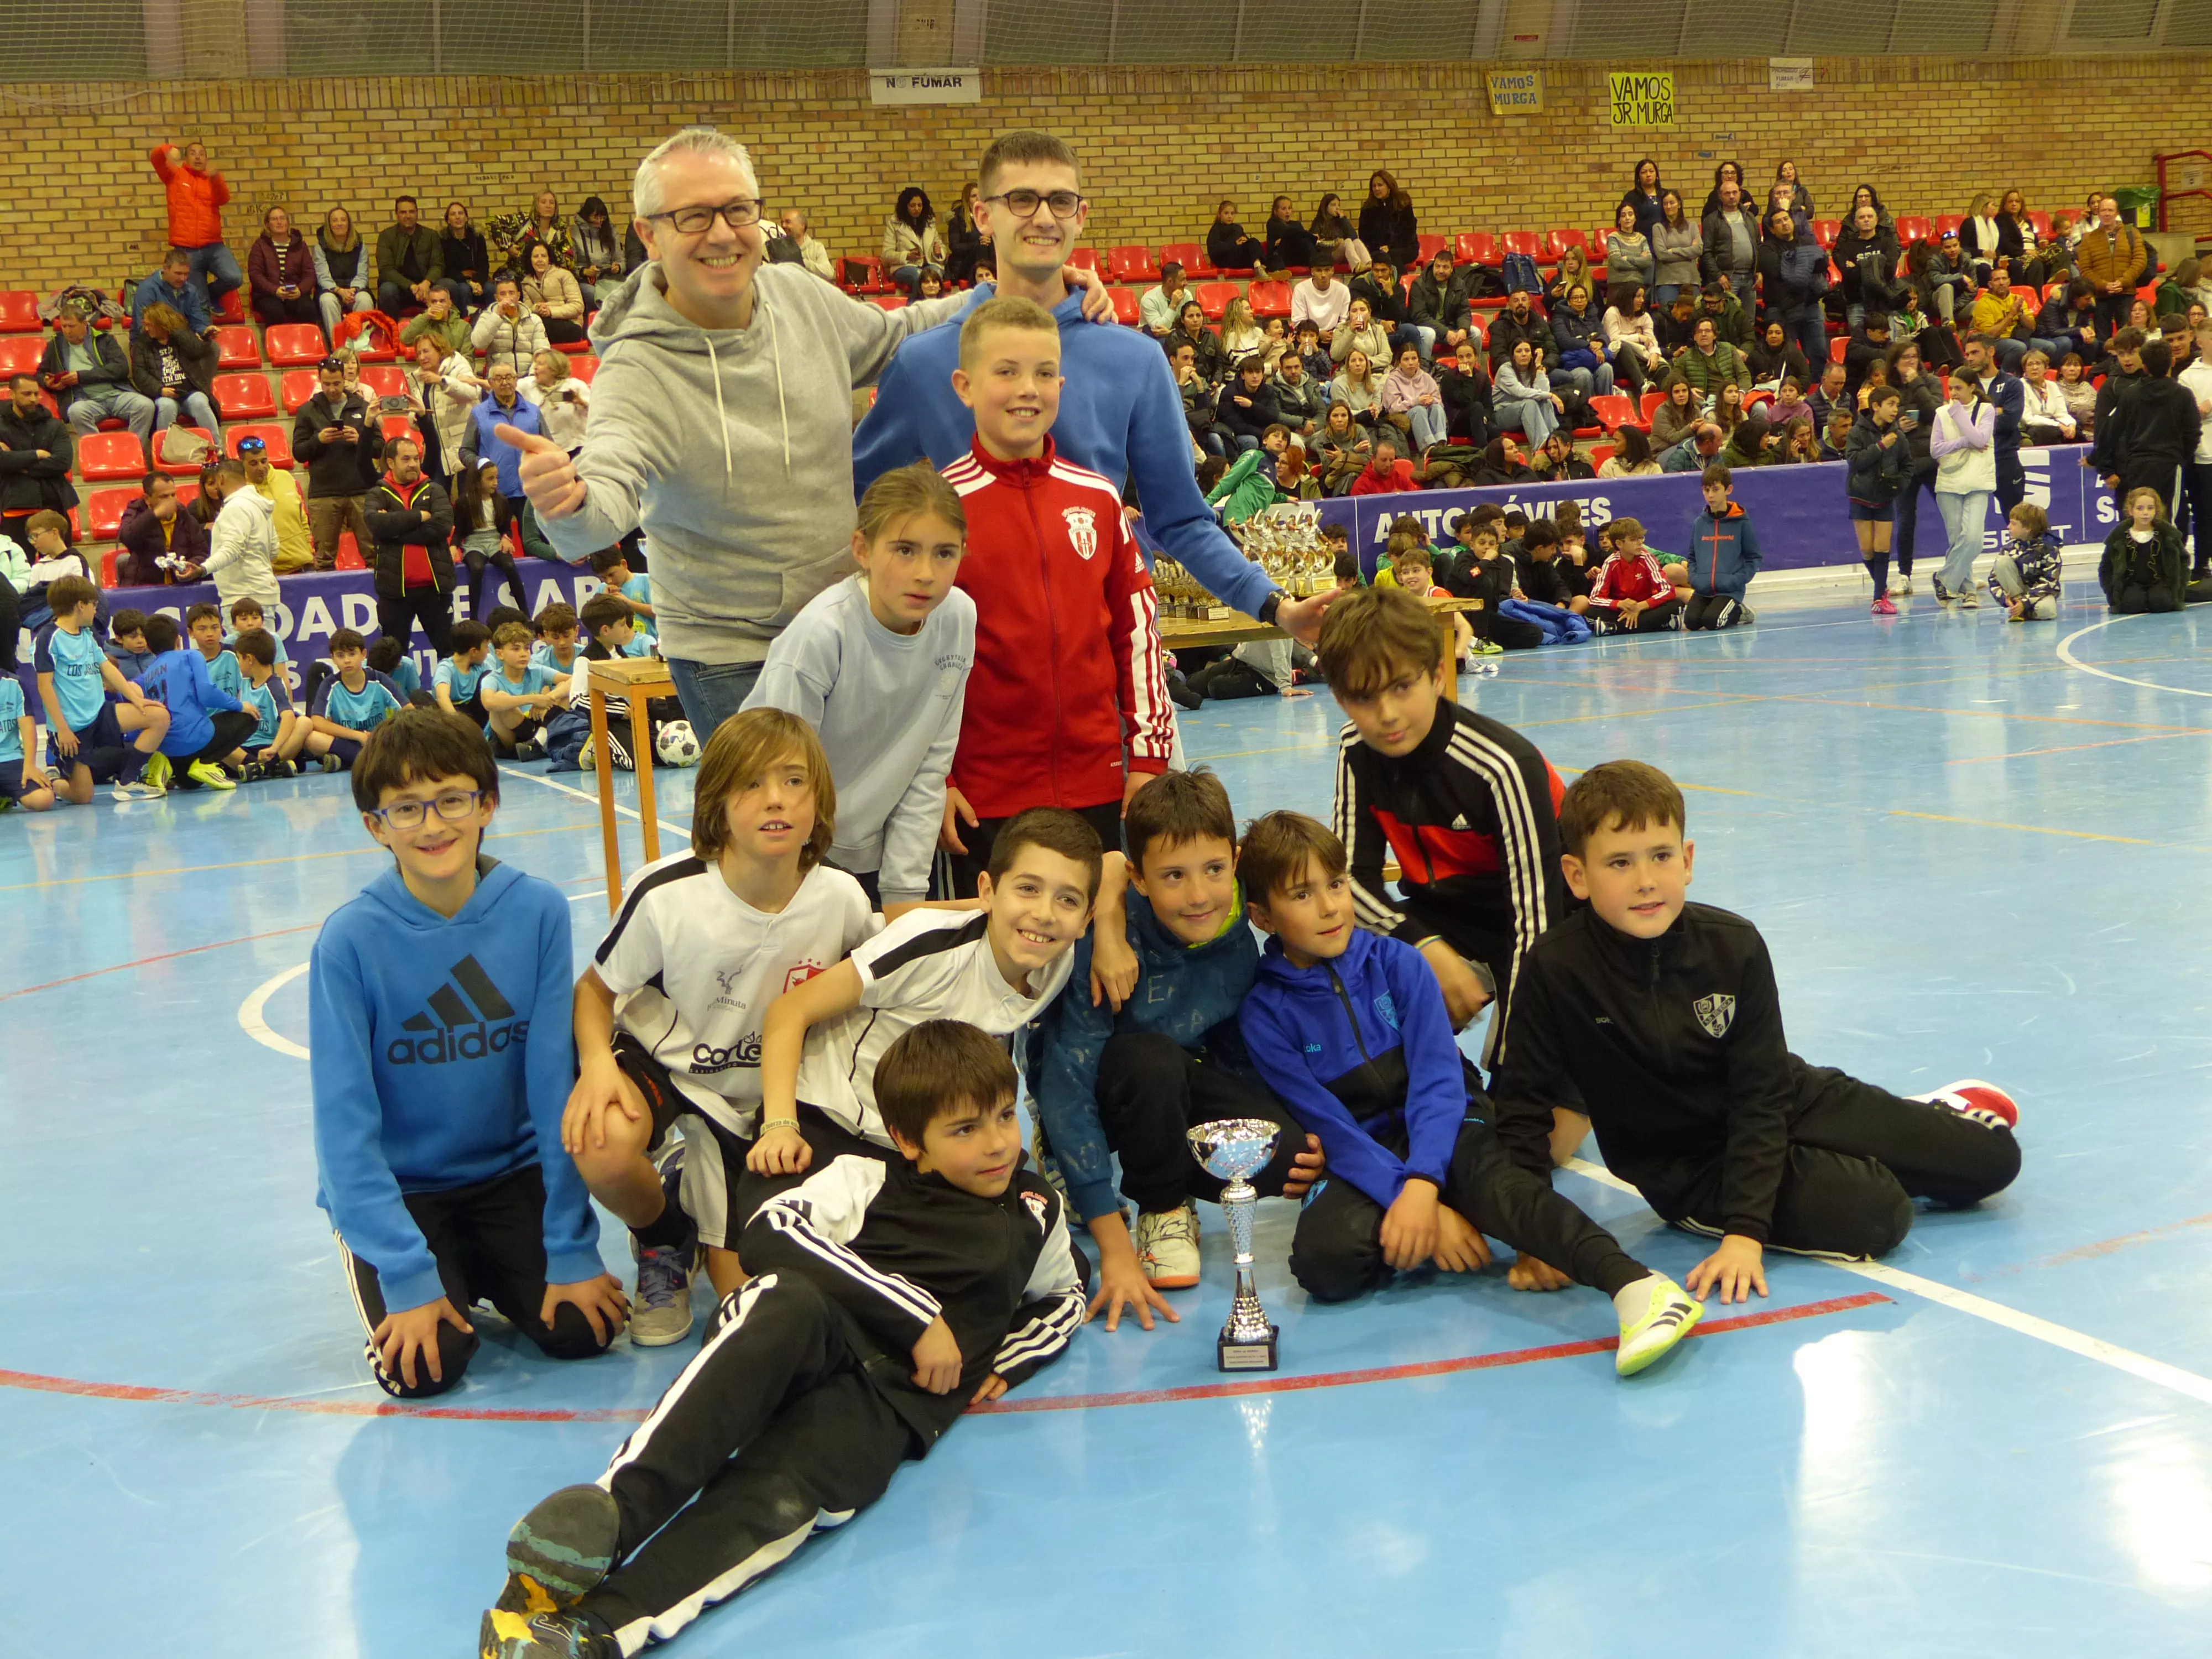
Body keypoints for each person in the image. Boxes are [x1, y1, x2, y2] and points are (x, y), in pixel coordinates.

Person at [481, 1019, 1083, 1659]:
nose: (997, 1144)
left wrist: (998, 1360)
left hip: (888, 1405)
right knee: (784, 1299)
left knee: (773, 1497)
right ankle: (606, 1520)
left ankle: (589, 1634)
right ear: (909, 1141)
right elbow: (772, 1231)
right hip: (802, 1337)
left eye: (1002, 1118)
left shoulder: (1034, 1209)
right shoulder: (866, 1178)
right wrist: (918, 1320)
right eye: (965, 1130)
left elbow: (1063, 1296)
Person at [509, 130, 1014, 737]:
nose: (721, 233)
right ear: (649, 233)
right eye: (693, 216)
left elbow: (898, 337)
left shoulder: (796, 293)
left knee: (860, 820)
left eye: (737, 210)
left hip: (844, 620)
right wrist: (566, 501)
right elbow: (601, 503)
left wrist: (1010, 294)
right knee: (777, 828)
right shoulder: (637, 369)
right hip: (731, 656)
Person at [1494, 760, 2020, 1301]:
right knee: (1876, 1213)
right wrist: (1534, 1234)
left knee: (1993, 1162)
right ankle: (1854, 1158)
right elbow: (1521, 1110)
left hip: (1783, 1101)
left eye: (1660, 855)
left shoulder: (1733, 945)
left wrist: (1745, 1234)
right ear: (1576, 877)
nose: (1646, 880)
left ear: (1687, 859)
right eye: (1620, 863)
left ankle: (1908, 1122)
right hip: (1693, 1170)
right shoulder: (1555, 969)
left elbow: (1761, 1091)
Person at [1232, 808, 1702, 1363]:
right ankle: (1449, 1215)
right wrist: (1420, 1208)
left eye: (1335, 884)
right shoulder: (1264, 1012)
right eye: (1301, 894)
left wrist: (1424, 1186)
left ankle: (1637, 1288)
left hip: (1449, 1120)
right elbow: (1328, 1125)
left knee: (1505, 1190)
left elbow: (1436, 1082)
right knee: (1326, 1265)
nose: (1330, 906)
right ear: (1263, 916)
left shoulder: (1399, 963)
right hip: (1365, 1150)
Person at [851, 134, 1329, 662]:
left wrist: (1274, 605)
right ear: (982, 216)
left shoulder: (1136, 360)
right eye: (1021, 200)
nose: (1043, 217)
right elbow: (858, 504)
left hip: (1106, 662)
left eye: (1060, 201)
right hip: (961, 673)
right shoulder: (925, 363)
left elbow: (1182, 521)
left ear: (1081, 216)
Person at [309, 706, 625, 1402]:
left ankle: (484, 1267)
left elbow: (551, 1083)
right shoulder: (349, 942)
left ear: (488, 804)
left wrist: (570, 1245)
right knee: (424, 1369)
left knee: (584, 1331)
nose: (433, 825)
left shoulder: (537, 910)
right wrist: (406, 1273)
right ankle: (446, 1271)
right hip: (406, 1192)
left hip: (507, 1175)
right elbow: (343, 1128)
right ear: (375, 826)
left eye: (452, 800)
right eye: (407, 809)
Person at [1021, 770, 1321, 1307]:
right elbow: (1068, 1076)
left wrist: (1303, 1126)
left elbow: (1241, 1052)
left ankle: (1159, 1158)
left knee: (1290, 1158)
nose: (1199, 894)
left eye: (1213, 870)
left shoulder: (1239, 918)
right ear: (1138, 879)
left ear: (1234, 859)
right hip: (1109, 1080)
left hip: (1186, 1078)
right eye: (1173, 877)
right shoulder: (1103, 944)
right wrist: (1101, 1216)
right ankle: (1161, 1207)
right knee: (1151, 1062)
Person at [931, 296, 1171, 898]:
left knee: (1099, 949)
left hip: (1099, 784)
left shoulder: (1095, 498)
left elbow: (1136, 632)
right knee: (994, 961)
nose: (1027, 389)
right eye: (1005, 371)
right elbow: (911, 659)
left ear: (1062, 383)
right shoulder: (937, 509)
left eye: (1043, 373)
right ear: (965, 386)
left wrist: (1147, 756)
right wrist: (934, 779)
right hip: (982, 796)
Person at [1316, 583, 1564, 1061]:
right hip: (1447, 918)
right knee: (1341, 963)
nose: (1386, 716)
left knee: (1523, 1086)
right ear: (1341, 699)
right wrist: (1423, 944)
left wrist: (1516, 1058)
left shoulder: (1502, 767)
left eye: (1401, 687)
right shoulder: (1356, 749)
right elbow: (1349, 879)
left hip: (1551, 926)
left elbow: (1537, 926)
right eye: (1364, 697)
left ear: (1437, 674)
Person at [737, 464, 974, 913]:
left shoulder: (958, 617)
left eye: (944, 553)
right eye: (905, 550)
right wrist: (793, 885)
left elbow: (930, 764)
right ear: (862, 549)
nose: (925, 573)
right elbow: (774, 780)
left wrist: (905, 894)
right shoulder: (821, 635)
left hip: (871, 849)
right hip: (790, 855)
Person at [35, 575, 169, 803]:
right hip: (72, 729)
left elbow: (107, 669)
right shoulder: (50, 638)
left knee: (159, 716)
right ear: (80, 605)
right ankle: (54, 782)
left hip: (100, 715)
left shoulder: (87, 634)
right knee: (83, 797)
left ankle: (127, 782)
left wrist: (135, 700)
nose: (97, 610)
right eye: (94, 605)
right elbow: (44, 687)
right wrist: (62, 729)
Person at [135, 611, 253, 790]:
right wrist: (239, 705)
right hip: (196, 740)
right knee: (251, 717)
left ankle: (164, 763)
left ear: (148, 647)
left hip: (169, 748)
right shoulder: (191, 656)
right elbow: (206, 693)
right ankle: (207, 762)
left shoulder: (147, 674)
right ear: (178, 639)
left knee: (190, 784)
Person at [366, 432, 458, 660]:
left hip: (435, 590)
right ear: (391, 462)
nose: (413, 465)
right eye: (406, 459)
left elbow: (442, 527)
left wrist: (395, 531)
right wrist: (419, 516)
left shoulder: (434, 490)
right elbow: (376, 523)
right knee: (393, 657)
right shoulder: (378, 493)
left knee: (451, 653)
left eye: (416, 459)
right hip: (394, 593)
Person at [294, 355, 383, 570]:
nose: (332, 389)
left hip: (361, 489)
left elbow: (380, 447)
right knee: (324, 558)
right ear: (319, 382)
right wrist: (319, 440)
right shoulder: (307, 411)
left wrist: (360, 441)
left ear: (345, 380)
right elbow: (298, 453)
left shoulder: (362, 407)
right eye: (327, 384)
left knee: (374, 553)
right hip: (324, 493)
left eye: (337, 383)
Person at [2104, 338, 2203, 519]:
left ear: (2145, 366)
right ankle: (2164, 548)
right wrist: (2181, 456)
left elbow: (2112, 432)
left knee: (2140, 518)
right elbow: (2193, 433)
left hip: (2137, 464)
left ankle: (2140, 548)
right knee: (2168, 520)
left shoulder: (2130, 394)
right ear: (2172, 362)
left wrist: (2108, 466)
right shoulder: (2183, 394)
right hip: (2169, 463)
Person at [38, 304, 153, 445]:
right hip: (85, 401)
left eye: (72, 326)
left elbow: (121, 368)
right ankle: (98, 454)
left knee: (145, 406)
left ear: (84, 324)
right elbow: (40, 374)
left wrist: (81, 377)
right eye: (64, 326)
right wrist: (48, 382)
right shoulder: (55, 345)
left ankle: (132, 451)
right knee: (75, 412)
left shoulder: (104, 339)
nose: (67, 331)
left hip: (116, 394)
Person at [1668, 463, 1761, 630]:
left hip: (1729, 590)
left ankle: (1739, 611)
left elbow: (1753, 557)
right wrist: (1695, 579)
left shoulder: (1742, 522)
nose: (1710, 495)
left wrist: (1736, 580)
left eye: (1716, 489)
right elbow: (1693, 556)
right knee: (1692, 623)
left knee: (1712, 622)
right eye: (1706, 490)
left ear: (1728, 490)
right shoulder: (1700, 523)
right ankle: (1719, 608)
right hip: (1703, 589)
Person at [148, 139, 238, 307]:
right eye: (193, 153)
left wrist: (216, 178)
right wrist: (169, 149)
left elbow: (224, 198)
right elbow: (156, 158)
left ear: (206, 159)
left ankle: (212, 293)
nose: (198, 157)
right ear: (185, 158)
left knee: (234, 277)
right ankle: (205, 329)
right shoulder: (174, 175)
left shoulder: (212, 179)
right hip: (187, 249)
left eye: (202, 154)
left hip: (214, 246)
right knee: (200, 302)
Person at [1848, 384, 1913, 613]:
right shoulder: (1857, 432)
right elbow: (1855, 461)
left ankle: (1879, 599)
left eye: (1897, 405)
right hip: (1860, 498)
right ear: (1876, 406)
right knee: (1867, 551)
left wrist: (1899, 485)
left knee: (1882, 548)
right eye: (1891, 405)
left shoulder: (1899, 436)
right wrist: (1880, 447)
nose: (1895, 410)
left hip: (1885, 499)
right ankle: (1882, 588)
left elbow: (1908, 465)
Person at [302, 628, 405, 769]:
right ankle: (372, 762)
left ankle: (347, 761)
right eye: (341, 655)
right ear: (333, 658)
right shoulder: (330, 685)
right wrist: (357, 736)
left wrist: (383, 734)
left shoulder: (379, 679)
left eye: (352, 654)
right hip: (348, 741)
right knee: (312, 739)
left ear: (363, 654)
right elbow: (318, 721)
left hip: (378, 740)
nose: (347, 661)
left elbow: (408, 710)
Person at [198, 456, 281, 618]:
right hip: (265, 592)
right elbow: (274, 550)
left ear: (220, 478)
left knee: (245, 645)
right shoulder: (259, 504)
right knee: (266, 644)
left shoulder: (235, 508)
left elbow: (232, 550)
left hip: (243, 598)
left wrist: (203, 569)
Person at [1758, 208, 1829, 373]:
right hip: (1781, 310)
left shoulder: (1806, 242)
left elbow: (1820, 265)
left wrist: (1794, 265)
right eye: (1779, 222)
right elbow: (1779, 273)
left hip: (1810, 306)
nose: (1784, 224)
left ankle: (1818, 390)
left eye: (1786, 219)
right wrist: (1805, 264)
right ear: (1772, 229)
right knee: (1786, 358)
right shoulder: (1767, 249)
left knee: (1819, 353)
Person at [231, 626, 304, 778]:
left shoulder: (274, 686)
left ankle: (261, 768)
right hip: (247, 750)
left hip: (270, 749)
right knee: (217, 740)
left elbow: (289, 717)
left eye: (239, 658)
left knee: (305, 723)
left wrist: (275, 748)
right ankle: (268, 769)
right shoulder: (242, 684)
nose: (238, 662)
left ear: (249, 659)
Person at [2100, 487, 2185, 613]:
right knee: (2133, 605)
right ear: (2131, 510)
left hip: (2160, 582)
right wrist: (2113, 594)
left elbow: (2183, 561)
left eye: (2150, 508)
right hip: (2132, 583)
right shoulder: (2119, 537)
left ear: (2156, 510)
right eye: (2140, 508)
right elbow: (2106, 567)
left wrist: (2178, 590)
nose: (2145, 513)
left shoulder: (2167, 535)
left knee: (2162, 604)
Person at [114, 469, 206, 585]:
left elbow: (202, 553)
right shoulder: (136, 513)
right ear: (147, 499)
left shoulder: (185, 517)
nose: (171, 501)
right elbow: (127, 538)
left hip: (180, 587)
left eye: (173, 495)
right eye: (164, 497)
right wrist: (154, 515)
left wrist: (190, 565)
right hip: (144, 587)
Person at [2078, 196, 2148, 340]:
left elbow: (2140, 260)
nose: (2107, 213)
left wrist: (2123, 282)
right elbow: (2085, 269)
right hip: (2101, 296)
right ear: (2098, 213)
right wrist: (2104, 285)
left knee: (2128, 337)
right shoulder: (2088, 238)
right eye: (2103, 210)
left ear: (2117, 213)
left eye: (2111, 210)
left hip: (2126, 293)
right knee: (2103, 339)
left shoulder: (2132, 233)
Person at [247, 205, 320, 330]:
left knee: (308, 309)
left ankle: (308, 345)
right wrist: (275, 290)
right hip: (268, 295)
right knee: (275, 311)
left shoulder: (300, 245)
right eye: (274, 219)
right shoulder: (260, 245)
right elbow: (255, 275)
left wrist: (300, 290)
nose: (279, 222)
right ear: (268, 224)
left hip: (295, 293)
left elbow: (309, 274)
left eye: (282, 218)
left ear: (288, 222)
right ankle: (276, 347)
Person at [0, 644, 55, 809]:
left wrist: (30, 765)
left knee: (43, 800)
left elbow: (28, 728)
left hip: (11, 758)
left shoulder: (14, 685)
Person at [1988, 502, 2063, 620]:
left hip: (2040, 594)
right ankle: (2017, 607)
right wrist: (2005, 599)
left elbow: (2050, 583)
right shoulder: (2008, 548)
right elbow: (1994, 580)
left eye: (2014, 524)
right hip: (2016, 593)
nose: (2008, 527)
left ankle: (2022, 611)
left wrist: (2025, 603)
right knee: (2002, 562)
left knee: (2047, 612)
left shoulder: (2050, 549)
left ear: (2028, 528)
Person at [374, 196, 445, 317]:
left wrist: (426, 283)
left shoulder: (431, 235)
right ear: (397, 215)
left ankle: (449, 331)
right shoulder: (386, 236)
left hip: (427, 287)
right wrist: (411, 286)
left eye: (412, 211)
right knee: (387, 290)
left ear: (417, 213)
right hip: (400, 288)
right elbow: (386, 270)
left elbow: (438, 265)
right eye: (403, 212)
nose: (408, 216)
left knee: (449, 285)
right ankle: (392, 332)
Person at [311, 206, 374, 341]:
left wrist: (352, 291)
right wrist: (339, 291)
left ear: (349, 224)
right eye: (335, 221)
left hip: (355, 289)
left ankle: (362, 342)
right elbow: (323, 277)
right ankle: (338, 343)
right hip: (332, 290)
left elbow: (363, 274)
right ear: (329, 225)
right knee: (327, 301)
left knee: (365, 299)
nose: (339, 224)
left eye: (343, 220)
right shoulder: (320, 247)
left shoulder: (361, 245)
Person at [472, 274, 551, 376]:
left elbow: (543, 352)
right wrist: (497, 317)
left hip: (528, 378)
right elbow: (479, 344)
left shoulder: (534, 320)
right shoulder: (488, 317)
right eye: (503, 294)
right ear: (496, 298)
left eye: (511, 293)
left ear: (518, 296)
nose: (508, 298)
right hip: (500, 379)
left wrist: (531, 378)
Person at [492, 190, 575, 279]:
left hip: (550, 279)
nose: (548, 206)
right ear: (536, 205)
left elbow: (570, 260)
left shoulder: (561, 228)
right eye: (543, 202)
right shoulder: (522, 221)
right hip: (519, 276)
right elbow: (493, 221)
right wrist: (507, 246)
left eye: (552, 203)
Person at [520, 347, 588, 454]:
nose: (535, 368)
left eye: (540, 364)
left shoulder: (574, 386)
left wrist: (582, 403)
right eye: (535, 364)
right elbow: (503, 388)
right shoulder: (528, 385)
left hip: (573, 449)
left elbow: (596, 413)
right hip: (542, 451)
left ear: (554, 369)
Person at [1701, 178, 1761, 298]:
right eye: (1727, 193)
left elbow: (1759, 245)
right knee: (1727, 314)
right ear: (1720, 196)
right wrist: (1719, 276)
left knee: (1748, 317)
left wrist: (1759, 271)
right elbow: (1706, 252)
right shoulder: (1712, 220)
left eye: (1735, 192)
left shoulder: (1749, 217)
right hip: (1727, 278)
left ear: (1740, 194)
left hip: (1750, 277)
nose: (1732, 196)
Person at [523, 241, 588, 346]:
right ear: (530, 260)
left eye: (544, 256)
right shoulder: (527, 282)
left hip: (570, 324)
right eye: (536, 256)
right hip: (541, 324)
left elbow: (578, 306)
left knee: (540, 327)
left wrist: (550, 311)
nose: (540, 260)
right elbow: (527, 310)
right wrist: (537, 309)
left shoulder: (564, 275)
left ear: (549, 258)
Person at [1358, 170, 1418, 276]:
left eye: (1380, 185)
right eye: (1374, 186)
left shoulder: (1403, 203)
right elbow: (1364, 237)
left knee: (1393, 255)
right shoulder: (1368, 209)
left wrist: (1390, 246)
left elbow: (1409, 233)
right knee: (1382, 257)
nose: (1377, 189)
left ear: (1389, 186)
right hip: (1377, 249)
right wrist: (1379, 247)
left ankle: (1402, 286)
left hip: (1405, 247)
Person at [571, 196, 628, 306]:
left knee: (627, 292)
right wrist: (584, 271)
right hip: (587, 281)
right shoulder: (575, 233)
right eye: (595, 218)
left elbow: (621, 260)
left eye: (603, 218)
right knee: (594, 295)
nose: (599, 221)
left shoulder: (611, 231)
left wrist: (618, 268)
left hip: (610, 278)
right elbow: (571, 266)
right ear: (586, 217)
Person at [589, 545, 654, 640]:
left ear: (624, 564)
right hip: (616, 650)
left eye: (611, 574)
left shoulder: (647, 581)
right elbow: (588, 621)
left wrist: (628, 604)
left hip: (647, 645)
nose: (609, 581)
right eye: (603, 577)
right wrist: (604, 601)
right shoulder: (602, 589)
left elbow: (659, 612)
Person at [438, 201, 492, 313]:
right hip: (458, 280)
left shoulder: (478, 238)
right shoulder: (443, 241)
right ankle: (466, 321)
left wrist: (479, 283)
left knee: (491, 288)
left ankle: (494, 319)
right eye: (453, 214)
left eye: (461, 213)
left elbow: (484, 264)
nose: (458, 217)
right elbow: (448, 269)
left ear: (466, 218)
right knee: (464, 289)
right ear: (448, 220)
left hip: (477, 279)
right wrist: (470, 283)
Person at [1291, 261, 1350, 348]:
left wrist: (1335, 334)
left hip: (1336, 335)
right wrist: (1318, 333)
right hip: (1309, 334)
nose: (1323, 275)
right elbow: (1298, 321)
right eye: (1319, 271)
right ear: (1312, 272)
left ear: (1332, 271)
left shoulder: (1343, 290)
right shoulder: (1300, 289)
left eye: (1327, 270)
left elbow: (1344, 319)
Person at [1262, 194, 1318, 274]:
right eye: (1284, 209)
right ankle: (1317, 241)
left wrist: (1286, 237)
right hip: (1281, 258)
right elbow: (1289, 231)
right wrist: (1312, 237)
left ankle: (1317, 266)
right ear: (1276, 211)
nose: (1288, 212)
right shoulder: (1272, 223)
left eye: (1289, 208)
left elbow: (1303, 239)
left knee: (1305, 241)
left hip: (1297, 256)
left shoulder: (1296, 224)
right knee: (1291, 232)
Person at [1206, 199, 1265, 273]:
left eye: (1232, 213)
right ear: (1220, 215)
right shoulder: (1216, 229)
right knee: (1253, 243)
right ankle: (1259, 269)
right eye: (1226, 213)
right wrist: (1234, 244)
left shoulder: (1238, 228)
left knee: (1255, 242)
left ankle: (1270, 270)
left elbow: (1248, 243)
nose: (1230, 216)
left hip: (1240, 258)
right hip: (1226, 260)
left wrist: (1245, 241)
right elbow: (1215, 250)